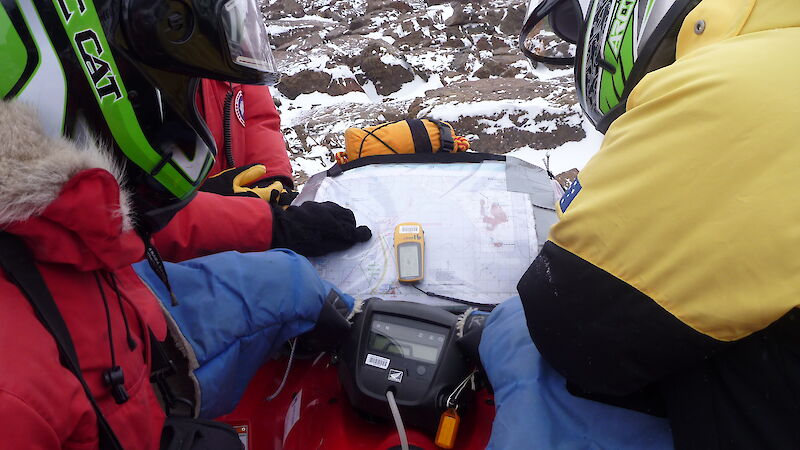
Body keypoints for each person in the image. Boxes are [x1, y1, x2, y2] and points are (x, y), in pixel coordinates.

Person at [0, 0, 365, 447]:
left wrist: (273, 214)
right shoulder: (16, 394)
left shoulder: (58, 202)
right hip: (132, 286)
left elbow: (117, 213)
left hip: (122, 286)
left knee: (290, 283)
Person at [481, 0, 800, 448]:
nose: (579, 45)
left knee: (539, 377)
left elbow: (572, 327)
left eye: (574, 26)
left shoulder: (734, 87)